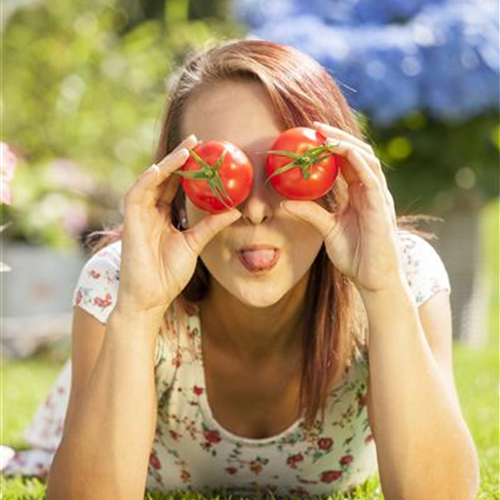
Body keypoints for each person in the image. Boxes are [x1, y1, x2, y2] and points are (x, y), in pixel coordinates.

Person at [6, 39, 479, 499]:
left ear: (339, 176)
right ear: (178, 191)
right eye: (220, 173)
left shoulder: (403, 274)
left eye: (292, 168)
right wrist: (137, 312)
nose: (254, 209)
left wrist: (383, 291)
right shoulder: (119, 283)